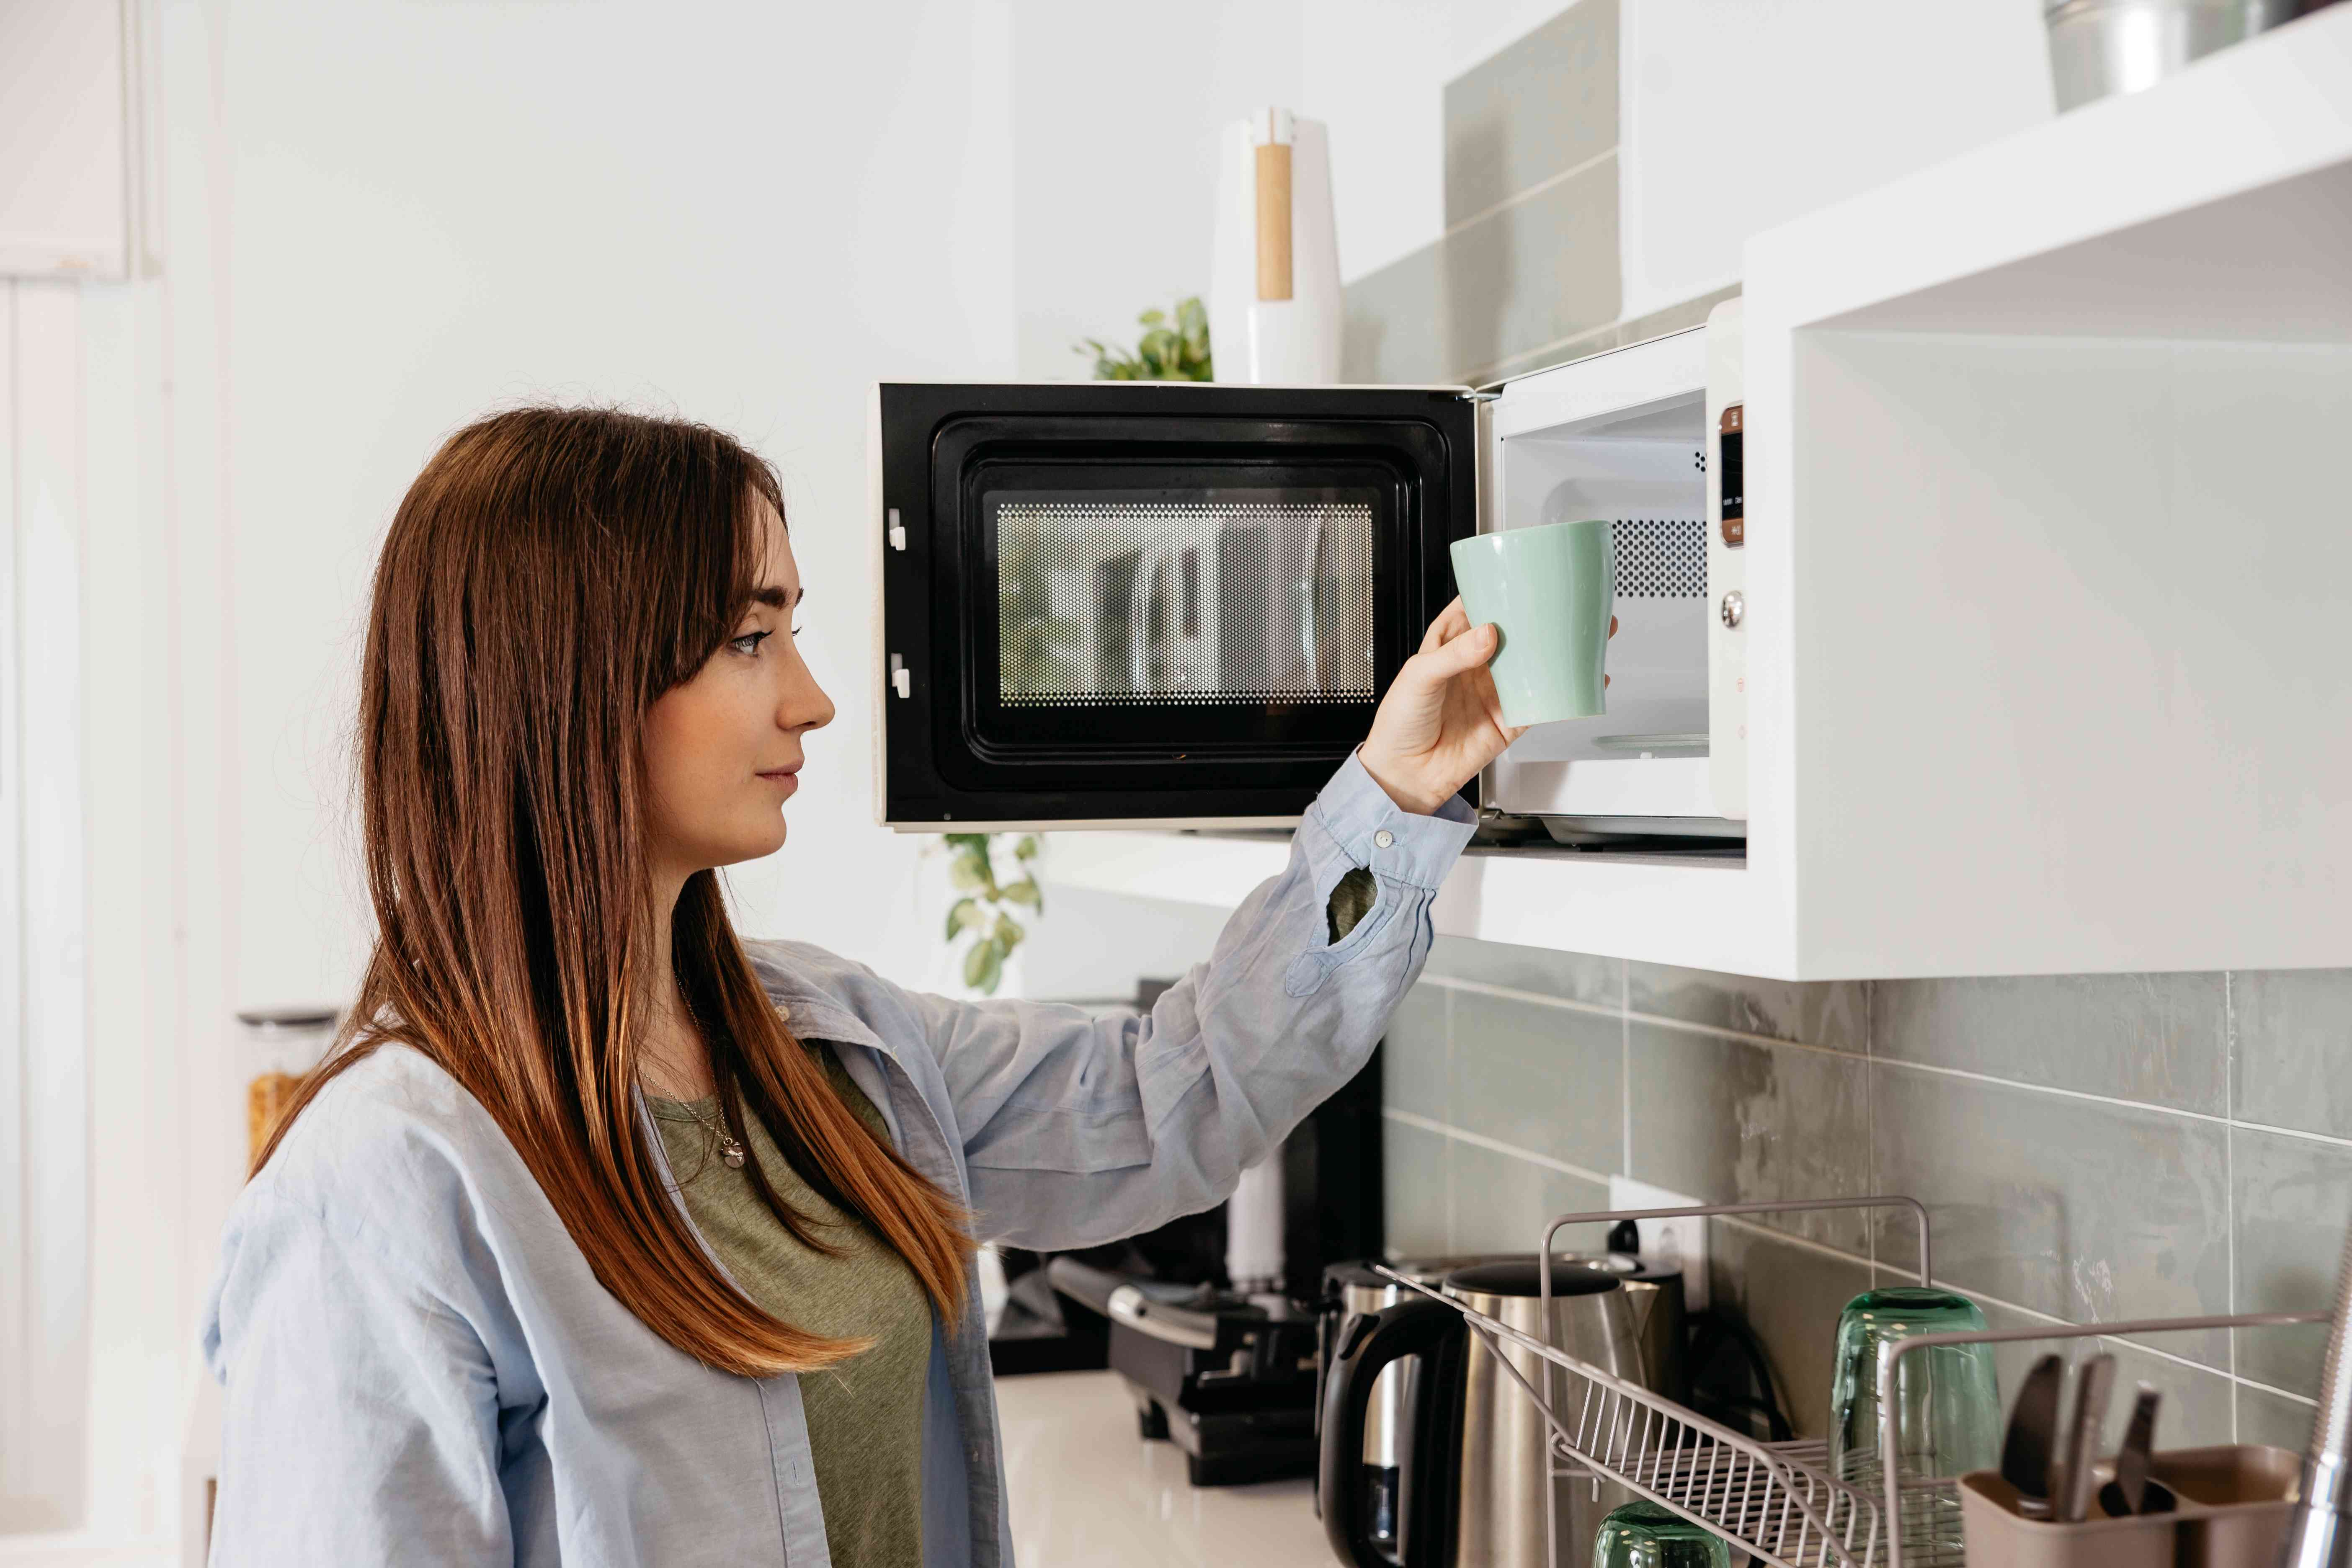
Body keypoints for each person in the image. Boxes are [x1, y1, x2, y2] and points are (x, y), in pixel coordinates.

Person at [199, 406, 1560, 1567]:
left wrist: (1386, 799)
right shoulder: (382, 1191)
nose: (812, 700)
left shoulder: (830, 1047)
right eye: (752, 638)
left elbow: (1170, 1095)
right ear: (577, 683)